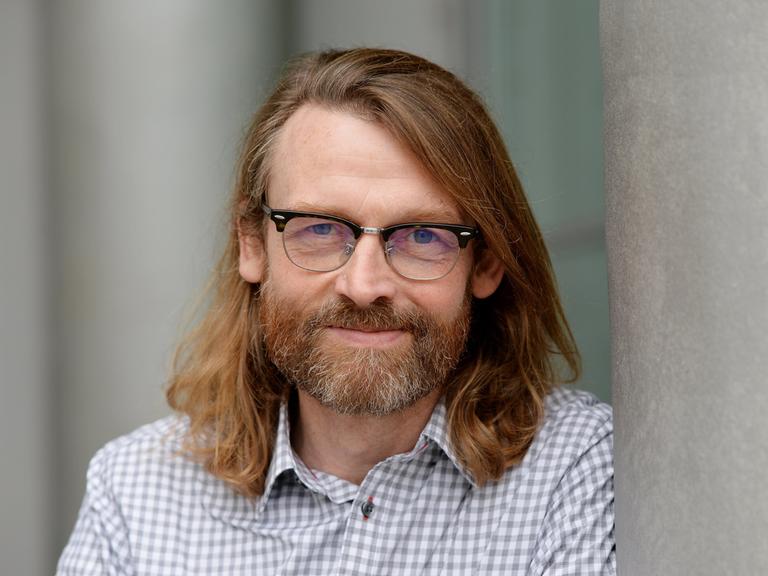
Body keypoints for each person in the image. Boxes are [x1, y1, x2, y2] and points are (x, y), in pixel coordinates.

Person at [58, 47, 615, 575]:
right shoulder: (137, 492)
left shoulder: (574, 470)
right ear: (252, 246)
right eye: (321, 229)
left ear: (486, 263)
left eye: (422, 235)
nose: (365, 285)